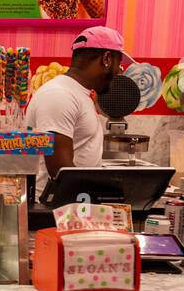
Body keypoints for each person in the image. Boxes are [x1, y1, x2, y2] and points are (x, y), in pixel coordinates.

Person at [25, 26, 133, 197]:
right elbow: (61, 172)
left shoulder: (77, 93)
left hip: (73, 204)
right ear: (106, 59)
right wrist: (109, 190)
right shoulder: (60, 95)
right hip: (54, 211)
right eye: (119, 64)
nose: (120, 71)